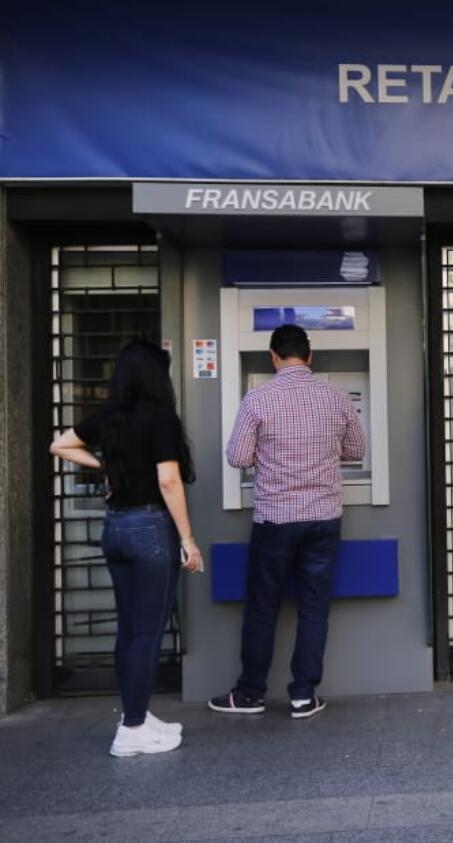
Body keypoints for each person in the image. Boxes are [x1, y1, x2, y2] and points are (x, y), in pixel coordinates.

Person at [50, 339, 204, 758]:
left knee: (129, 630)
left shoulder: (111, 418)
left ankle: (135, 714)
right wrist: (187, 540)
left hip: (115, 529)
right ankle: (132, 730)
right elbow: (169, 481)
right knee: (147, 633)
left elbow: (60, 445)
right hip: (150, 529)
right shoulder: (160, 419)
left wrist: (108, 466)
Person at [209, 324, 364, 719]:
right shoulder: (337, 396)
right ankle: (303, 696)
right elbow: (355, 449)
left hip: (276, 519)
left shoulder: (258, 398)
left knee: (263, 606)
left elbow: (238, 458)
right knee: (315, 606)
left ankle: (249, 695)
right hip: (324, 517)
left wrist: (271, 456)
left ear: (273, 356)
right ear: (309, 357)